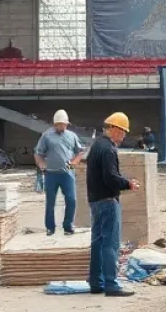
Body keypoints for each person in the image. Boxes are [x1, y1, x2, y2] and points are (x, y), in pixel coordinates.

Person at [86, 112, 140, 298]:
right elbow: (110, 177)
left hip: (95, 200)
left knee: (98, 242)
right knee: (110, 243)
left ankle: (96, 282)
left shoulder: (96, 146)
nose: (124, 136)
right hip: (108, 201)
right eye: (123, 132)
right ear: (115, 129)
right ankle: (111, 284)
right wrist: (127, 183)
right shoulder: (108, 149)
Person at [34, 109, 85, 236]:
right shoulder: (46, 136)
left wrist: (74, 162)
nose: (61, 126)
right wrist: (41, 163)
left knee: (71, 199)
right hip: (51, 172)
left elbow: (80, 151)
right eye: (58, 124)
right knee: (50, 201)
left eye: (63, 124)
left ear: (67, 124)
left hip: (67, 171)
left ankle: (68, 226)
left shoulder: (72, 136)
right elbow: (38, 153)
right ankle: (50, 227)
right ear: (54, 124)